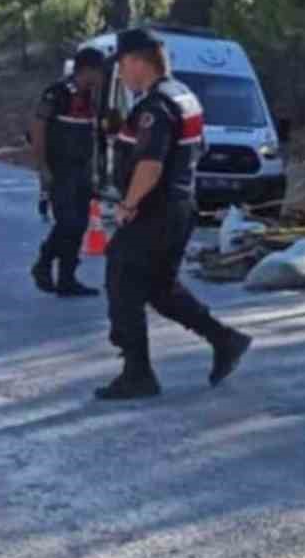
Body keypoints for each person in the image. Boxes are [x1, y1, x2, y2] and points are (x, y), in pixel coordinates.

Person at [95, 28, 251, 401]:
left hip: (155, 209)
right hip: (179, 207)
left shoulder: (154, 106)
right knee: (160, 289)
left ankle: (138, 373)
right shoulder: (183, 95)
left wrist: (128, 205)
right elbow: (198, 149)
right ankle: (224, 339)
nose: (124, 75)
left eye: (124, 66)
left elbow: (150, 165)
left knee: (122, 279)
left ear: (137, 62)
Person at [29, 46, 107, 297]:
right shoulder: (57, 93)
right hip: (59, 170)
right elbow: (38, 130)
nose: (103, 77)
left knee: (80, 224)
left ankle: (67, 279)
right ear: (87, 70)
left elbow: (93, 136)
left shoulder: (91, 98)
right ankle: (43, 264)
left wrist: (96, 172)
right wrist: (43, 169)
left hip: (82, 171)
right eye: (100, 71)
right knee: (67, 222)